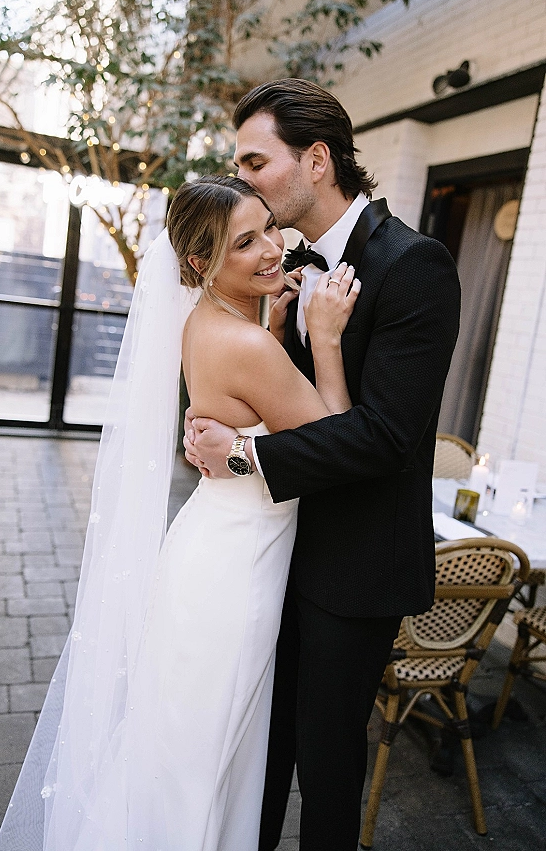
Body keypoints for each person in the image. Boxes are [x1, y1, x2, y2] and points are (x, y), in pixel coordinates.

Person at [0, 175, 361, 851]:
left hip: (211, 546)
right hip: (235, 570)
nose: (273, 249)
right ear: (200, 262)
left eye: (269, 229)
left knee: (179, 744)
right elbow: (339, 445)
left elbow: (249, 414)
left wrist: (273, 331)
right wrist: (327, 338)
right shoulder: (247, 344)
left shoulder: (207, 324)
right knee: (204, 751)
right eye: (244, 242)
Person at [183, 79, 461, 850]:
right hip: (275, 552)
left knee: (327, 763)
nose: (241, 180)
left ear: (315, 160)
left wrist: (243, 455)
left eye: (253, 162)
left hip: (357, 565)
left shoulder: (415, 264)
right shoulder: (282, 266)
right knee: (261, 748)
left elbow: (385, 438)